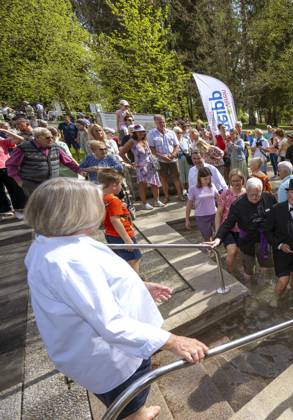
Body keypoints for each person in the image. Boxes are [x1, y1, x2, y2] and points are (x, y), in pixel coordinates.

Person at [24, 178, 208, 420]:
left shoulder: (52, 243)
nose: (100, 210)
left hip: (103, 352)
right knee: (129, 401)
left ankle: (139, 411)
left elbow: (91, 289)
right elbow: (110, 324)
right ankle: (137, 415)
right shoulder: (68, 261)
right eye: (95, 204)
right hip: (112, 358)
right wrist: (173, 341)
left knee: (133, 399)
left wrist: (139, 286)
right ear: (75, 213)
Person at [213, 177, 276, 281]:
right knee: (249, 269)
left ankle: (266, 286)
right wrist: (218, 238)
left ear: (262, 190)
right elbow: (228, 223)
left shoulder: (269, 197)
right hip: (247, 241)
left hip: (265, 239)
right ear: (246, 191)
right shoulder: (237, 205)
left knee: (268, 267)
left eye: (258, 194)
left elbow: (277, 215)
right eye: (252, 195)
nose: (255, 197)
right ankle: (249, 286)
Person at [6, 127, 81, 199]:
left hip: (52, 183)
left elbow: (68, 161)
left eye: (52, 137)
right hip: (31, 184)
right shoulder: (23, 148)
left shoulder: (55, 147)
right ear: (37, 138)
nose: (51, 139)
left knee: (52, 204)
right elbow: (11, 165)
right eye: (47, 138)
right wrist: (18, 181)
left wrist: (80, 170)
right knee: (38, 206)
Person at [264, 178, 293, 295]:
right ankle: (275, 302)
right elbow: (267, 232)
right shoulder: (276, 209)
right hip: (281, 253)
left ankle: (292, 299)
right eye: (292, 193)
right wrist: (280, 245)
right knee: (283, 280)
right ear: (287, 193)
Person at [99, 170, 142, 273]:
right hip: (121, 235)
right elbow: (115, 220)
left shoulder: (101, 197)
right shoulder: (114, 200)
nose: (121, 187)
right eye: (121, 184)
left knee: (122, 260)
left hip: (110, 234)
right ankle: (135, 282)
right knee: (134, 259)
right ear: (114, 185)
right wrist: (127, 240)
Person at [119, 124, 163, 210]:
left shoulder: (144, 140)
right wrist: (130, 163)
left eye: (143, 131)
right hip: (141, 166)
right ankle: (144, 203)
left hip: (150, 164)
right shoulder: (132, 141)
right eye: (139, 132)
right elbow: (121, 153)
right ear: (135, 133)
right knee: (142, 185)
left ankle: (156, 201)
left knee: (155, 183)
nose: (142, 133)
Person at [147, 115, 183, 203]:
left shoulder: (171, 132)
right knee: (163, 179)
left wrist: (173, 154)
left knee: (176, 177)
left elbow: (177, 145)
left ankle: (180, 195)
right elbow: (151, 148)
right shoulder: (151, 134)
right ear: (155, 122)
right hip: (160, 160)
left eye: (163, 122)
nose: (162, 124)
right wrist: (162, 156)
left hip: (173, 159)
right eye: (160, 122)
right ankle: (166, 197)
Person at [217, 169, 246, 273]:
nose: (236, 183)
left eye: (238, 180)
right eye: (233, 181)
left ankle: (238, 271)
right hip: (228, 228)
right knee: (232, 250)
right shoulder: (225, 194)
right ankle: (229, 273)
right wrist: (218, 231)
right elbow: (219, 213)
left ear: (243, 180)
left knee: (240, 252)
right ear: (230, 181)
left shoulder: (247, 194)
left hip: (242, 229)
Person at [0, 126, 26, 218]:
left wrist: (4, 130)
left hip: (5, 167)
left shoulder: (2, 141)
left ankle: (20, 207)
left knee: (15, 188)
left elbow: (20, 139)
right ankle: (5, 210)